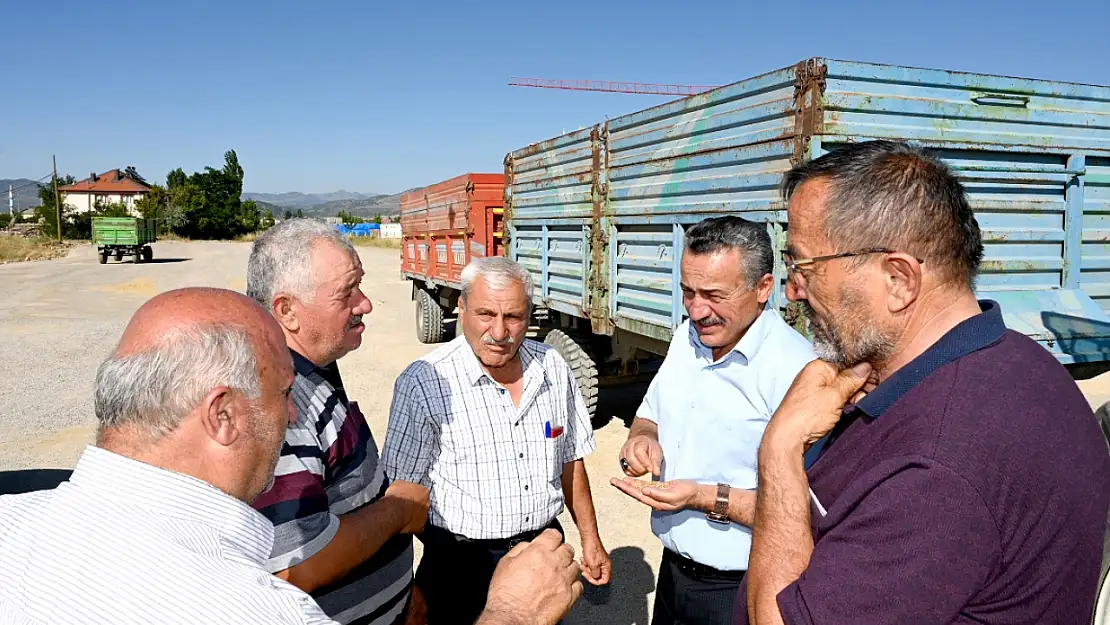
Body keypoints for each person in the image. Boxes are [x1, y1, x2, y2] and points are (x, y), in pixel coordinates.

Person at [733, 140, 1110, 625]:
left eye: (805, 266)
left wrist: (779, 449)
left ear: (899, 279)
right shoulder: (1018, 358)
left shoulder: (938, 465)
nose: (792, 289)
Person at [382, 256, 611, 625]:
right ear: (461, 308)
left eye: (514, 317)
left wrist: (591, 539)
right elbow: (398, 495)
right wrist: (414, 590)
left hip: (541, 557)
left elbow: (571, 460)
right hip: (459, 564)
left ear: (530, 315)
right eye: (486, 314)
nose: (500, 332)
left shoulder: (553, 368)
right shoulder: (425, 382)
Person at [609, 216, 815, 625]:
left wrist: (702, 497)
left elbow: (807, 513)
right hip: (672, 573)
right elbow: (649, 414)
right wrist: (642, 439)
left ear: (762, 289)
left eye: (714, 294)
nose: (697, 310)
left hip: (740, 592)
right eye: (688, 291)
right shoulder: (689, 337)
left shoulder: (798, 372)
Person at [246, 219, 430, 625]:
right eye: (347, 293)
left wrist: (401, 595)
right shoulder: (279, 403)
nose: (364, 303)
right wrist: (399, 510)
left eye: (360, 286)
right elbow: (296, 566)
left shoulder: (313, 369)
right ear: (287, 311)